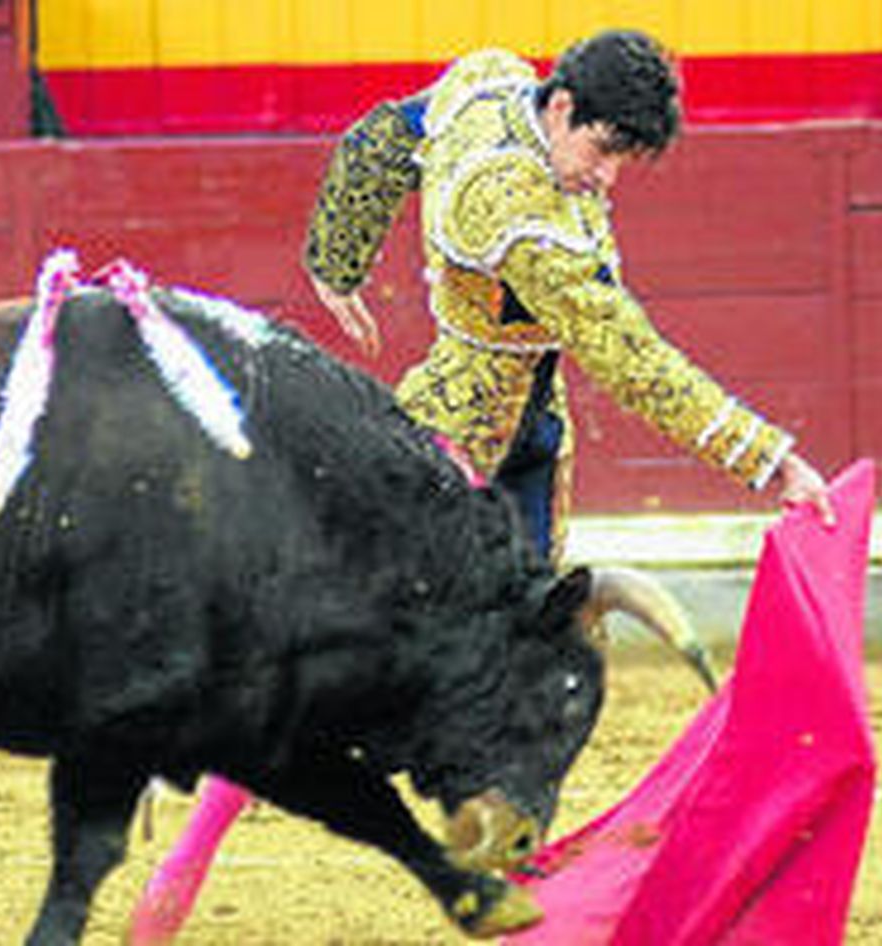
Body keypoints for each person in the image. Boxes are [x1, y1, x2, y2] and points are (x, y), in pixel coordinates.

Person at [128, 29, 836, 945]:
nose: (607, 177)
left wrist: (337, 256)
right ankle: (184, 863)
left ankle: (506, 841)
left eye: (627, 160)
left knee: (528, 660)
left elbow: (383, 137)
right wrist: (766, 458)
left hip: (532, 433)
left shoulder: (487, 82)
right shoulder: (514, 211)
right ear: (563, 108)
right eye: (604, 149)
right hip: (455, 444)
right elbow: (627, 354)